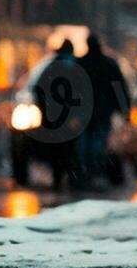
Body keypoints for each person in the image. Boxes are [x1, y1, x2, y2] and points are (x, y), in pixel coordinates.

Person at [77, 35, 129, 189]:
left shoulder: (81, 64)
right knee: (98, 143)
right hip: (103, 111)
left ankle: (86, 174)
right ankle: (95, 172)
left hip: (84, 112)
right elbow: (119, 87)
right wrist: (124, 110)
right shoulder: (109, 64)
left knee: (84, 145)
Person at [32, 41, 84, 189]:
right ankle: (71, 178)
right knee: (70, 149)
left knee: (57, 149)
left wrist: (46, 112)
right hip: (69, 118)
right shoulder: (75, 68)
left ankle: (58, 178)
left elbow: (38, 91)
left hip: (55, 118)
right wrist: (77, 115)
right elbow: (82, 94)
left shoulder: (49, 68)